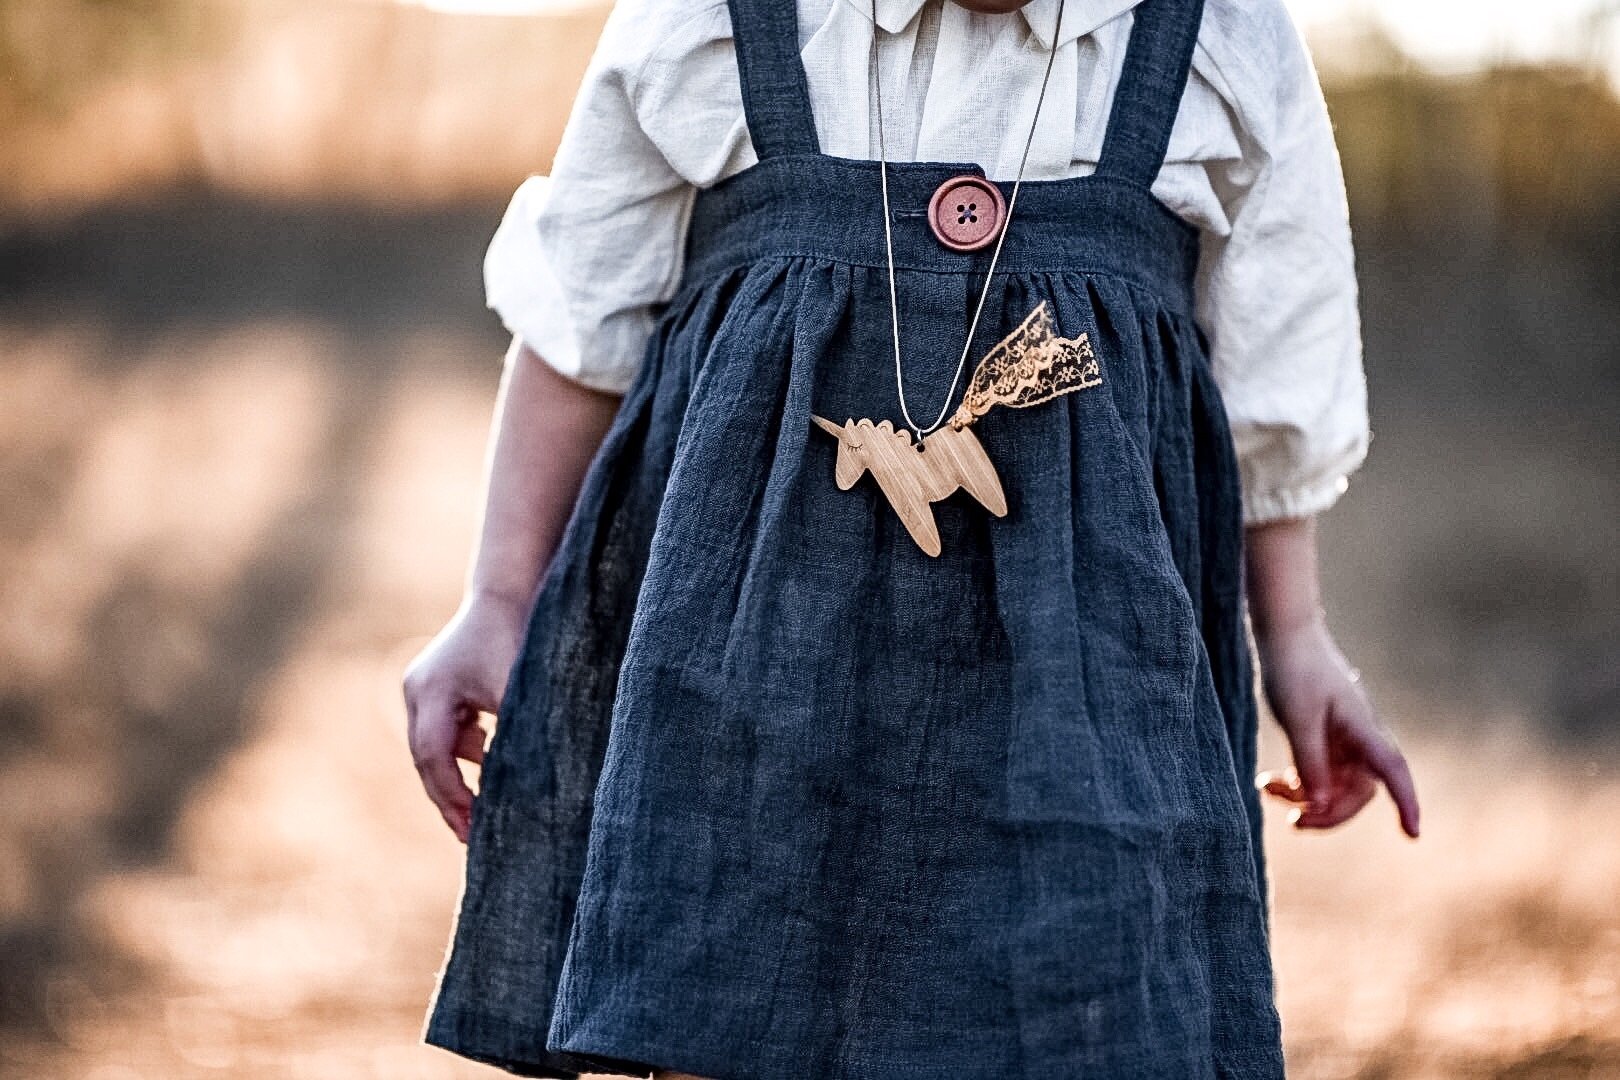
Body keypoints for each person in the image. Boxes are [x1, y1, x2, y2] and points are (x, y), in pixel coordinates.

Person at [404, 0, 1422, 1076]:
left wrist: (1300, 637)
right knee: (736, 993)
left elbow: (1276, 378)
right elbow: (580, 320)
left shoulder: (1224, 40)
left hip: (1084, 682)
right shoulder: (705, 20)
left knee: (1082, 1003)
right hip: (748, 672)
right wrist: (499, 599)